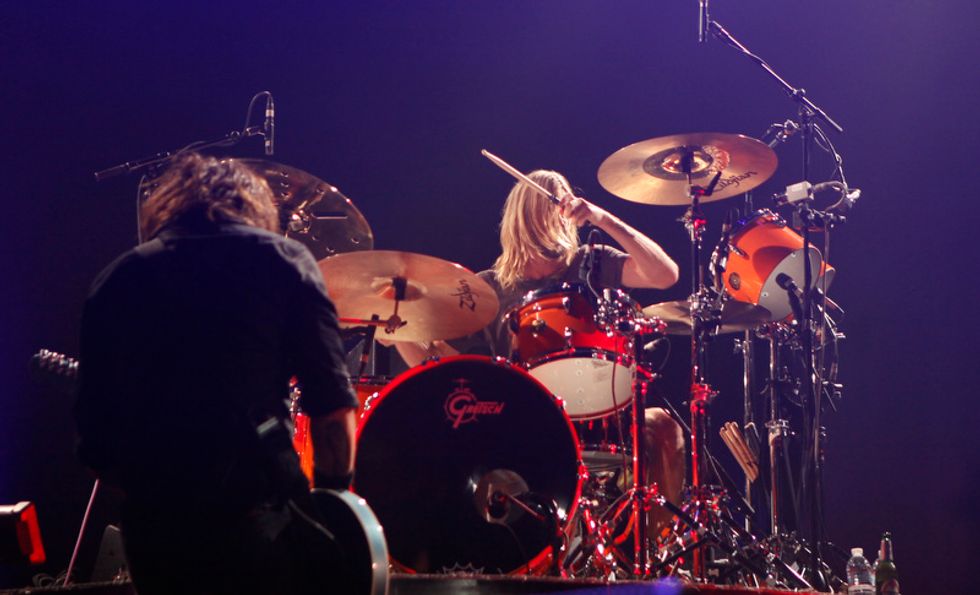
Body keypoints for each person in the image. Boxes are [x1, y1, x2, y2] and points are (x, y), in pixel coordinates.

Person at [74, 153, 358, 595]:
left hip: (158, 534)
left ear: (168, 207)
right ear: (252, 205)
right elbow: (332, 409)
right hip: (259, 518)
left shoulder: (119, 278)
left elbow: (96, 439)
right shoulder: (283, 261)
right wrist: (330, 511)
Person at [392, 169, 686, 535]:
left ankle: (658, 551)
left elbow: (665, 275)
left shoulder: (590, 262)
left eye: (565, 201)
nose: (562, 209)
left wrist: (602, 218)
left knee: (664, 427)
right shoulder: (486, 289)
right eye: (552, 202)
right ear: (524, 215)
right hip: (526, 420)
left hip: (603, 414)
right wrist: (398, 332)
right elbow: (447, 369)